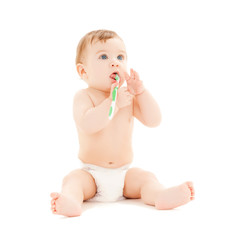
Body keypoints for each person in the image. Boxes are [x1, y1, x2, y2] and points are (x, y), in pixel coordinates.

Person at [50, 30, 195, 217]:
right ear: (83, 71)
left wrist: (141, 92)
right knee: (73, 180)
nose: (114, 62)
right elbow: (89, 124)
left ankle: (160, 195)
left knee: (145, 178)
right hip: (91, 174)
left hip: (124, 175)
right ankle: (71, 201)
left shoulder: (127, 97)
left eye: (120, 56)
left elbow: (154, 120)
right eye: (103, 56)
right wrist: (114, 103)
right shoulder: (84, 96)